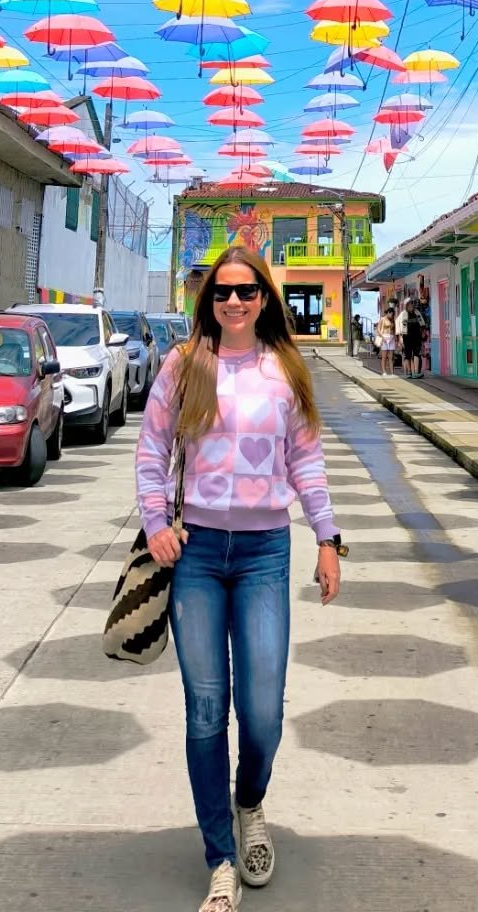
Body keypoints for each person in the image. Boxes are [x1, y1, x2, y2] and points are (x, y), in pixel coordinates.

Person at [135, 246, 343, 912]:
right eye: (222, 293)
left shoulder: (286, 367)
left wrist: (328, 537)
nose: (233, 302)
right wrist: (153, 524)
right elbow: (149, 452)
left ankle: (249, 800)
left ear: (264, 299)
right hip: (194, 553)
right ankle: (220, 858)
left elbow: (305, 460)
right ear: (208, 300)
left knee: (261, 713)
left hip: (262, 552)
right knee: (204, 711)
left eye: (246, 292)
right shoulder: (182, 364)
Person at [402, 298, 426, 380]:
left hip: (416, 336)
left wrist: (423, 332)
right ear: (407, 305)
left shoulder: (417, 312)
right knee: (408, 355)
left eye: (412, 304)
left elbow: (422, 323)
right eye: (410, 304)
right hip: (407, 337)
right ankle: (409, 372)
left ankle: (416, 372)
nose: (412, 305)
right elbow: (402, 326)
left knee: (416, 354)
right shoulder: (404, 314)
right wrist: (400, 338)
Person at [376, 304, 397, 377]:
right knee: (384, 356)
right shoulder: (383, 319)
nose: (391, 315)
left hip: (391, 338)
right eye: (391, 314)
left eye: (393, 314)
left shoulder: (393, 320)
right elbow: (378, 329)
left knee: (391, 357)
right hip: (384, 337)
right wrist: (382, 337)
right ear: (388, 313)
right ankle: (384, 372)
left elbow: (394, 329)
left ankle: (392, 372)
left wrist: (395, 337)